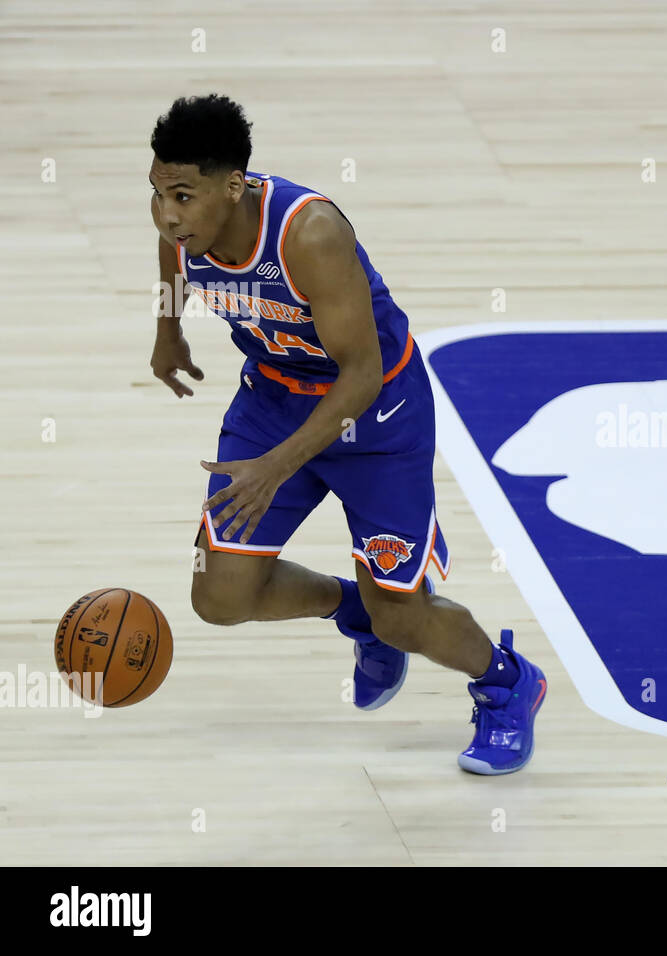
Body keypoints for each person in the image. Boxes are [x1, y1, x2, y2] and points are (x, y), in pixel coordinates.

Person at [147, 93, 545, 774]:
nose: (166, 213)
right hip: (275, 397)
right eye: (156, 194)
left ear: (233, 185)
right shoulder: (185, 224)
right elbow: (170, 259)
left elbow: (361, 374)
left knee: (406, 618)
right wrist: (168, 330)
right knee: (219, 596)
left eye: (181, 195)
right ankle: (354, 606)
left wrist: (275, 466)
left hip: (378, 414)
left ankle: (508, 681)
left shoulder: (311, 235)